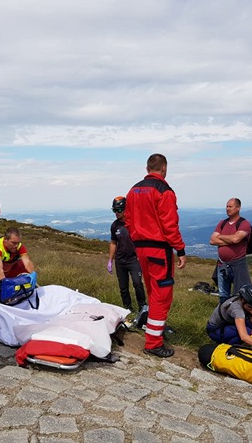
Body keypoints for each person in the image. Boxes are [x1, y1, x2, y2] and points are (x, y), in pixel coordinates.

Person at [125, 153, 186, 358]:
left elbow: (128, 220)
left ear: (147, 168)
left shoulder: (133, 190)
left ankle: (154, 331)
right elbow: (170, 226)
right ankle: (153, 343)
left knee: (153, 292)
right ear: (164, 169)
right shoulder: (164, 191)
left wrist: (137, 240)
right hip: (159, 249)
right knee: (162, 295)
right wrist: (181, 249)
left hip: (140, 249)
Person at [206, 284, 252, 353]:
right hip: (215, 330)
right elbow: (244, 337)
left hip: (226, 323)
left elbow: (250, 316)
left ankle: (246, 343)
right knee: (247, 331)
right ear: (243, 300)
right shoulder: (237, 310)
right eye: (250, 307)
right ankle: (230, 347)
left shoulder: (240, 299)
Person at [209, 198, 252, 305]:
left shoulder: (244, 224)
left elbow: (236, 239)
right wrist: (232, 240)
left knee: (239, 294)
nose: (227, 209)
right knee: (223, 295)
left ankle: (238, 318)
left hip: (237, 265)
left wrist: (221, 236)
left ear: (238, 208)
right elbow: (212, 240)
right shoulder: (222, 223)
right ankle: (223, 317)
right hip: (222, 264)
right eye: (227, 206)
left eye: (230, 206)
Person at [107, 196, 147, 313]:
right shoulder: (115, 225)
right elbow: (113, 242)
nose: (116, 213)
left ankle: (143, 308)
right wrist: (110, 260)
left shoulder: (135, 222)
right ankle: (127, 309)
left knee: (137, 283)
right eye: (114, 210)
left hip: (134, 259)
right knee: (123, 287)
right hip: (120, 260)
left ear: (126, 209)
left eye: (119, 210)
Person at [0, 227, 37, 300]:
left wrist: (32, 274)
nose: (16, 246)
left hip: (6, 268)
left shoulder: (19, 246)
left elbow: (27, 261)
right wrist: (4, 286)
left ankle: (18, 289)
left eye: (18, 243)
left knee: (22, 265)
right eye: (13, 243)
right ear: (5, 240)